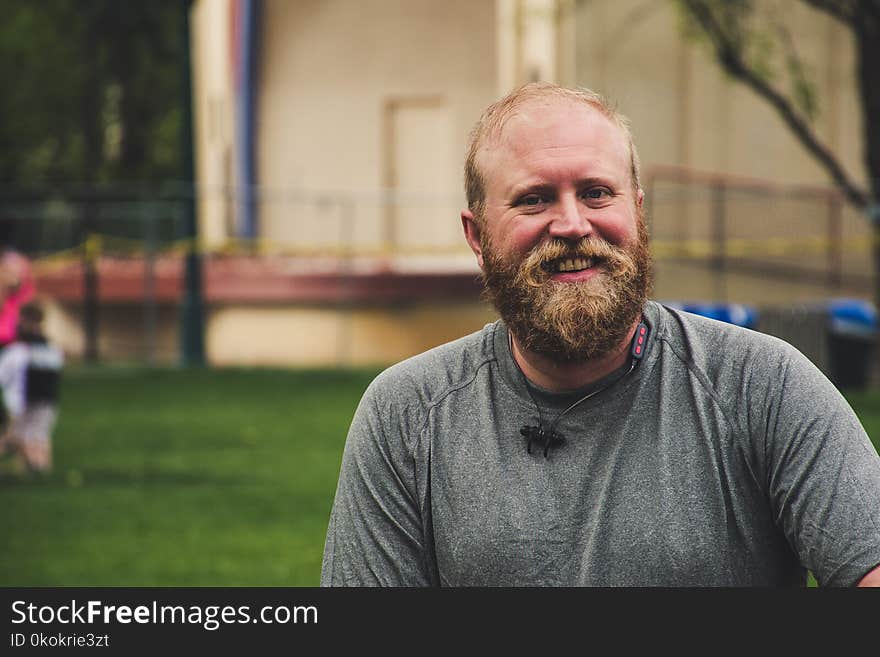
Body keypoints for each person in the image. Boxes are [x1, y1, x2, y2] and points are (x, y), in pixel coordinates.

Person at [321, 82, 880, 587]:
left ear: (637, 213)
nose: (571, 225)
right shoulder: (408, 416)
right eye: (533, 198)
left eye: (596, 193)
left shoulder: (765, 387)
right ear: (477, 234)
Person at [0, 301, 63, 474]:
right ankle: (37, 471)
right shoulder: (52, 350)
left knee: (18, 439)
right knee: (38, 438)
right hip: (47, 403)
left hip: (25, 404)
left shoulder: (19, 351)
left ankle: (36, 468)